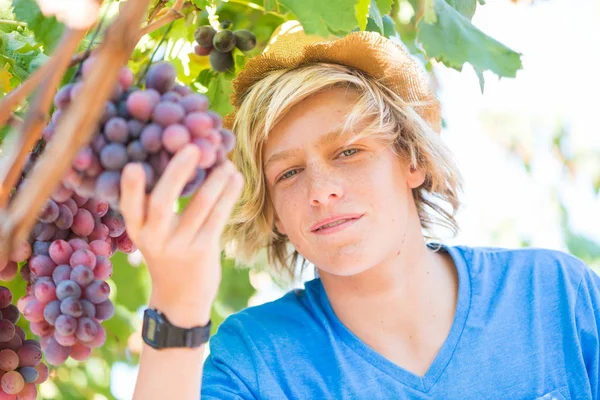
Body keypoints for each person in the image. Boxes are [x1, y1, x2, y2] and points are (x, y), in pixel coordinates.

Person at [120, 20, 600, 399]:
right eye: (287, 173)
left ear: (412, 160)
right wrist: (177, 308)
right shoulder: (255, 359)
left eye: (349, 152)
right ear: (274, 215)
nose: (321, 191)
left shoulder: (554, 293)